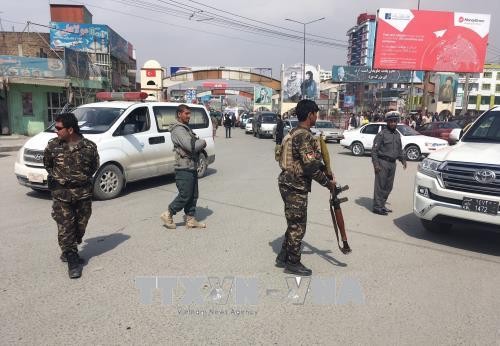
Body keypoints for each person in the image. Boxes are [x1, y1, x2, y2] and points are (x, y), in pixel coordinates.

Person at [276, 99, 336, 276]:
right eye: (316, 113)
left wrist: (326, 171)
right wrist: (327, 183)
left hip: (289, 183)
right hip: (295, 186)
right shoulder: (303, 135)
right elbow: (310, 167)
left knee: (294, 222)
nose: (317, 116)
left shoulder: (297, 132)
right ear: (310, 115)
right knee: (298, 226)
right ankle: (293, 263)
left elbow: (310, 162)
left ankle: (283, 256)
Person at [43, 112, 99, 279]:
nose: (56, 130)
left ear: (70, 129)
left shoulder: (89, 146)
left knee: (80, 226)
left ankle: (69, 247)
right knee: (66, 227)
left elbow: (94, 166)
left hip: (83, 193)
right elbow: (48, 164)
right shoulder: (53, 145)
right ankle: (71, 257)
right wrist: (62, 179)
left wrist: (79, 179)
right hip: (61, 193)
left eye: (59, 128)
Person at [160, 104, 207, 229]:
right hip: (183, 168)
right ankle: (168, 213)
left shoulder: (186, 128)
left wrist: (198, 143)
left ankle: (190, 219)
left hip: (191, 166)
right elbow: (192, 146)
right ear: (179, 114)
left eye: (189, 114)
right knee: (185, 195)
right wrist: (203, 142)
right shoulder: (178, 130)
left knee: (193, 195)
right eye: (186, 113)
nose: (189, 116)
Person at [371, 113, 407, 215]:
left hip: (392, 164)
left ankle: (382, 205)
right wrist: (376, 164)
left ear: (397, 122)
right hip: (382, 163)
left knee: (388, 186)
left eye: (395, 121)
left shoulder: (397, 135)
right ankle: (377, 207)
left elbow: (399, 150)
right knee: (380, 186)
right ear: (387, 122)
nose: (393, 123)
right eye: (391, 121)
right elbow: (374, 151)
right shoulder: (381, 134)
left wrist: (403, 160)